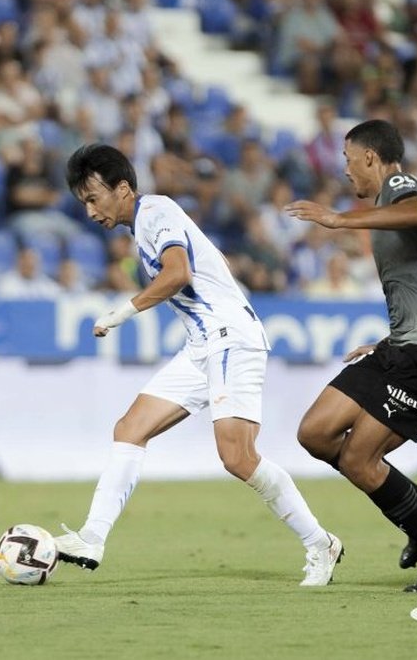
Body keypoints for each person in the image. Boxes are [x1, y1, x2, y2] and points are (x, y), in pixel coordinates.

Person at [55, 143, 343, 587]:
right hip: (202, 344)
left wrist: (122, 312)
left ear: (123, 188)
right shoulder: (146, 223)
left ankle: (319, 542)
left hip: (230, 338)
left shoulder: (155, 212)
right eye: (84, 203)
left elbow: (177, 275)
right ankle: (92, 538)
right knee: (130, 429)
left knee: (237, 457)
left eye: (94, 198)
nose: (90, 211)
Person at [284, 119, 417, 593]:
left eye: (349, 159)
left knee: (359, 460)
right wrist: (390, 339)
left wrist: (338, 219)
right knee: (316, 432)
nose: (346, 171)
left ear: (370, 156)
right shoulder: (385, 200)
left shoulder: (399, 185)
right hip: (406, 344)